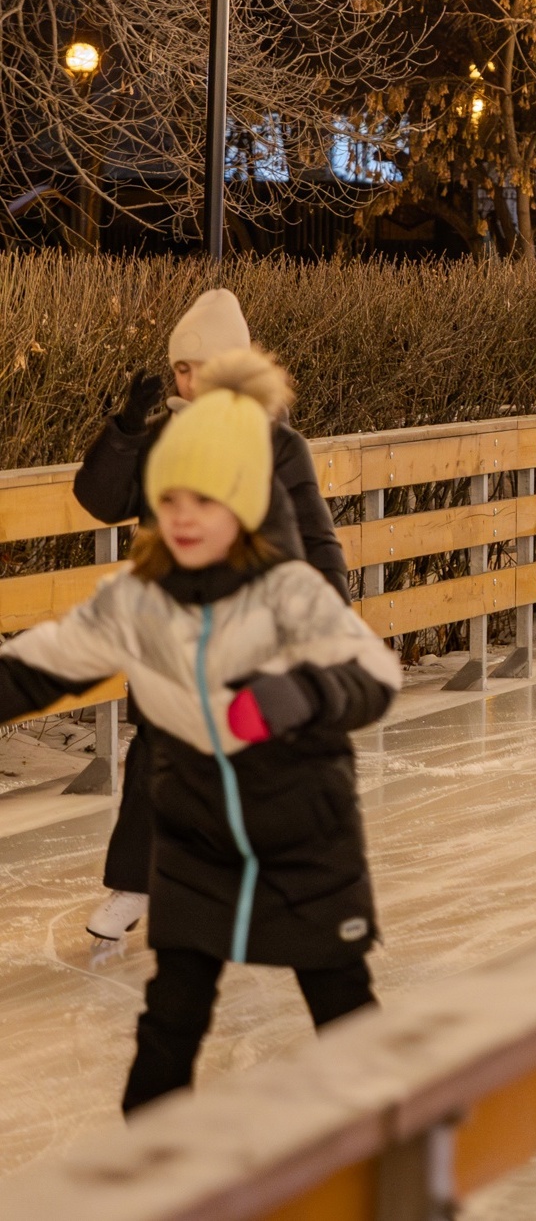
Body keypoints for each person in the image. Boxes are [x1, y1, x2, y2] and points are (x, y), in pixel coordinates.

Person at [0, 350, 399, 1112]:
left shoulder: (287, 594)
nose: (182, 516)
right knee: (168, 1028)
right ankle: (155, 1180)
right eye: (171, 496)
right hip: (194, 842)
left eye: (206, 499)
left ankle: (407, 1169)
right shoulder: (139, 600)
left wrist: (297, 694)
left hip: (302, 840)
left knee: (345, 1012)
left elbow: (373, 674)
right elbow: (35, 666)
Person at [73, 288, 350, 946]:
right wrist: (122, 433)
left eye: (197, 366)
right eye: (180, 369)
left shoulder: (278, 445)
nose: (186, 380)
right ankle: (134, 885)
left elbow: (317, 540)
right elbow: (100, 500)